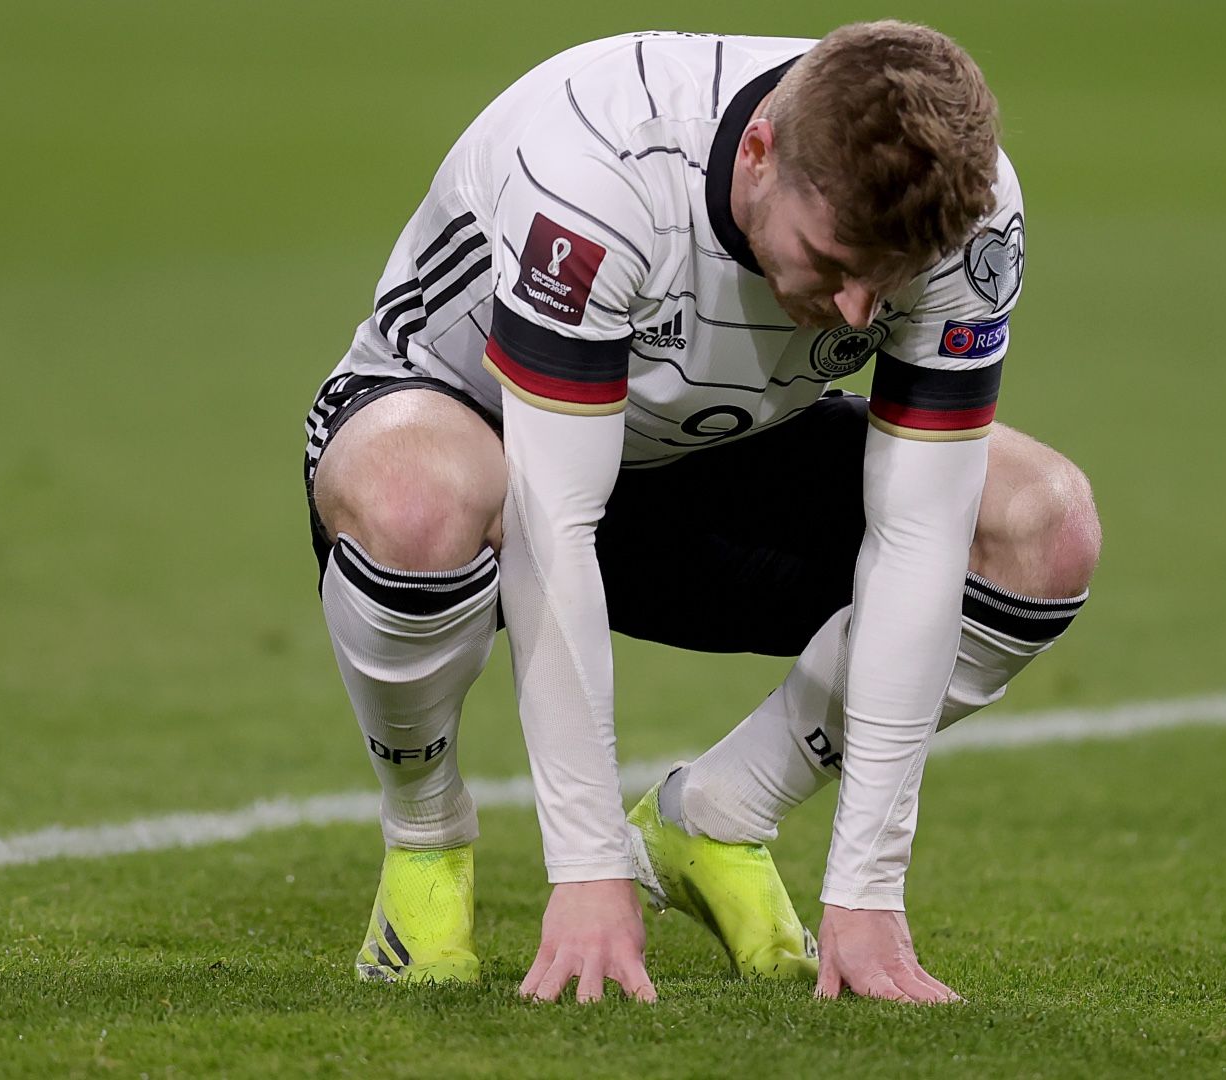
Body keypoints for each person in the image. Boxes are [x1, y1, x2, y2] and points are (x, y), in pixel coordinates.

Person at [302, 21, 1100, 1004]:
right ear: (758, 153)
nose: (858, 312)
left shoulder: (967, 217)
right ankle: (425, 842)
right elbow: (553, 527)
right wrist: (586, 865)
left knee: (1043, 529)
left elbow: (919, 536)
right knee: (418, 500)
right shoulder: (602, 163)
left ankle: (717, 815)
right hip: (490, 442)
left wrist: (868, 891)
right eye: (832, 259)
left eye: (884, 282)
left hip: (716, 451)